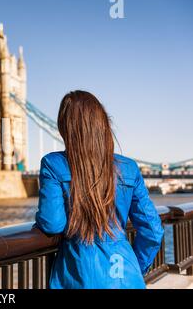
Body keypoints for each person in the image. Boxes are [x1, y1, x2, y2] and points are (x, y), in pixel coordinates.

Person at [35, 90, 164, 289]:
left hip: (78, 276)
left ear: (65, 127)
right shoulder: (128, 168)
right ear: (102, 124)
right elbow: (153, 230)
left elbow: (53, 224)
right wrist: (135, 269)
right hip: (125, 276)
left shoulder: (53, 164)